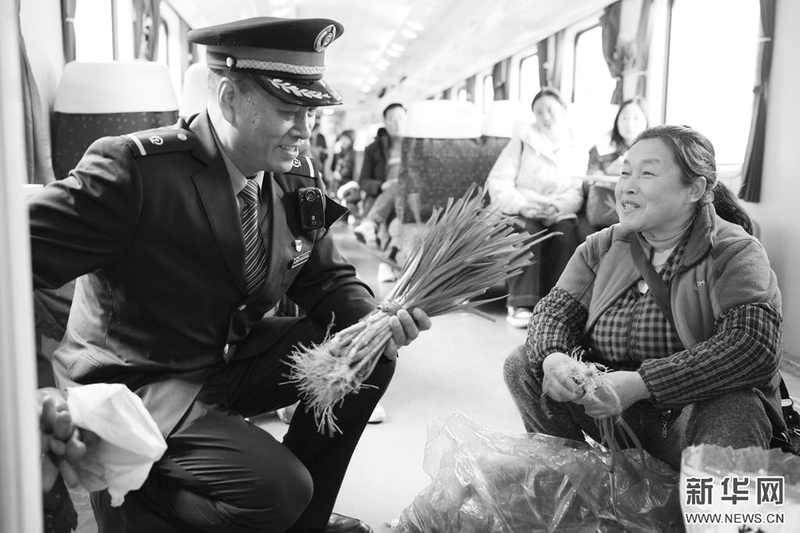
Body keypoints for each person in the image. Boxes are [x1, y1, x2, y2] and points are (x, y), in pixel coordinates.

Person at [28, 16, 430, 533]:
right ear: (228, 98)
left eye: (310, 113)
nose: (305, 131)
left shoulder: (293, 176)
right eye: (288, 111)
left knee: (369, 356)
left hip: (222, 358)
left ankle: (301, 525)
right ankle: (132, 490)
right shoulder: (136, 171)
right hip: (139, 378)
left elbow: (327, 279)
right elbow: (14, 252)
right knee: (280, 489)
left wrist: (378, 320)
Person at [504, 124, 782, 474]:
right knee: (523, 364)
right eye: (625, 172)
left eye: (647, 173)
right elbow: (553, 314)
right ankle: (572, 483)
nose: (628, 186)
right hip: (610, 411)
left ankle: (713, 504)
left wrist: (642, 384)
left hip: (686, 424)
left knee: (736, 408)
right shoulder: (602, 247)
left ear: (694, 189)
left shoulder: (734, 251)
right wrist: (556, 361)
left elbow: (753, 347)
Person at [485, 87, 587, 328]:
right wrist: (523, 206)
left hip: (556, 209)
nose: (545, 116)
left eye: (550, 110)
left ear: (564, 110)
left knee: (566, 235)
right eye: (539, 112)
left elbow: (576, 190)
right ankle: (521, 304)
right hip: (521, 206)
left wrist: (556, 207)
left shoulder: (578, 147)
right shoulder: (521, 141)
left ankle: (556, 304)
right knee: (526, 231)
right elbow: (498, 181)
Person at [353, 103, 407, 251]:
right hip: (382, 197)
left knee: (399, 184)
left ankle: (371, 224)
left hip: (410, 195)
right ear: (385, 122)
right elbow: (363, 181)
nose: (397, 123)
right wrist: (382, 186)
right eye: (392, 119)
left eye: (401, 118)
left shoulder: (416, 146)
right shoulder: (374, 149)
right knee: (395, 186)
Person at [587, 97, 649, 176]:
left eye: (636, 118)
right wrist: (608, 173)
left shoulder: (656, 150)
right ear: (617, 121)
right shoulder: (601, 147)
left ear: (646, 121)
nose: (629, 124)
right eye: (625, 118)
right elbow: (587, 181)